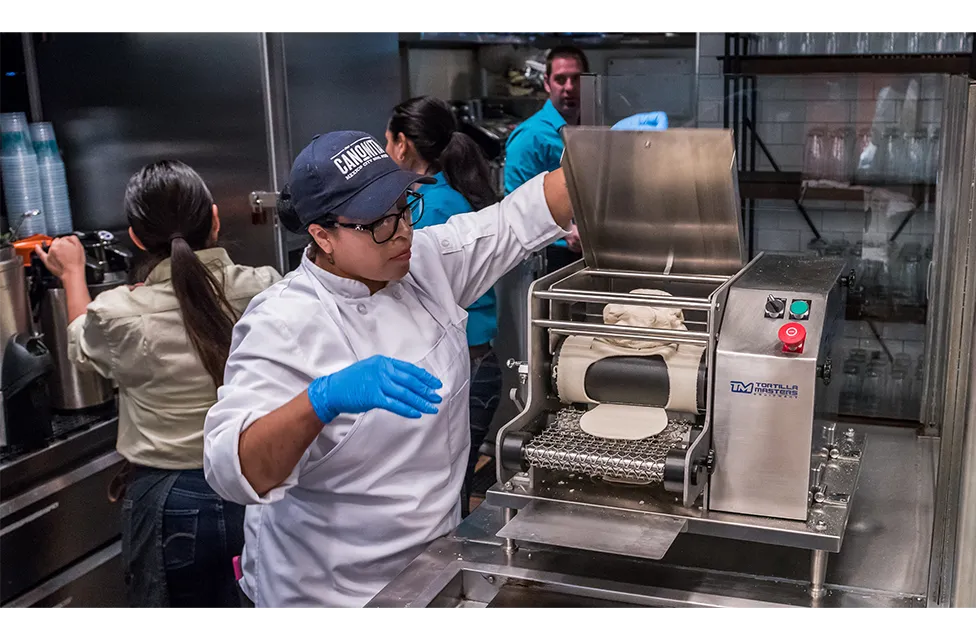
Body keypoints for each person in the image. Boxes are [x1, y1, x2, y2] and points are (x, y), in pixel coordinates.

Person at [202, 130, 573, 607]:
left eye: (403, 208)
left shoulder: (423, 263)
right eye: (378, 222)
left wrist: (607, 157)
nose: (402, 231)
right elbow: (234, 469)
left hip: (429, 566)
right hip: (328, 594)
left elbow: (518, 218)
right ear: (322, 236)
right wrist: (321, 400)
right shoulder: (283, 323)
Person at [34, 160, 282, 607]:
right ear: (214, 218)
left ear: (134, 237)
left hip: (171, 498)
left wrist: (72, 274)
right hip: (257, 484)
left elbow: (80, 345)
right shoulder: (264, 287)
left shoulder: (116, 314)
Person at [384, 95, 501, 518]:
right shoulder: (441, 199)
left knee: (448, 500)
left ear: (401, 145)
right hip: (475, 364)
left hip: (467, 368)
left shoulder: (430, 209)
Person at [504, 45, 590, 274]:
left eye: (576, 79)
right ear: (547, 83)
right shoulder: (530, 137)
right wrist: (565, 233)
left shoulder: (592, 128)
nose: (569, 88)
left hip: (590, 252)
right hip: (549, 259)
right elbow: (515, 208)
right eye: (560, 79)